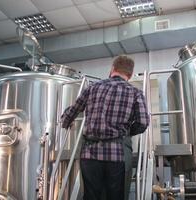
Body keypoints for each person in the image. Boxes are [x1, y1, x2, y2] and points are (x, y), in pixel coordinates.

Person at [61, 55, 150, 200]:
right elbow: (143, 122)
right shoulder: (136, 93)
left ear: (112, 69)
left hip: (90, 154)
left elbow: (73, 110)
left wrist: (66, 121)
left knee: (91, 196)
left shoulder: (93, 87)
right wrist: (127, 133)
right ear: (130, 74)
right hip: (118, 154)